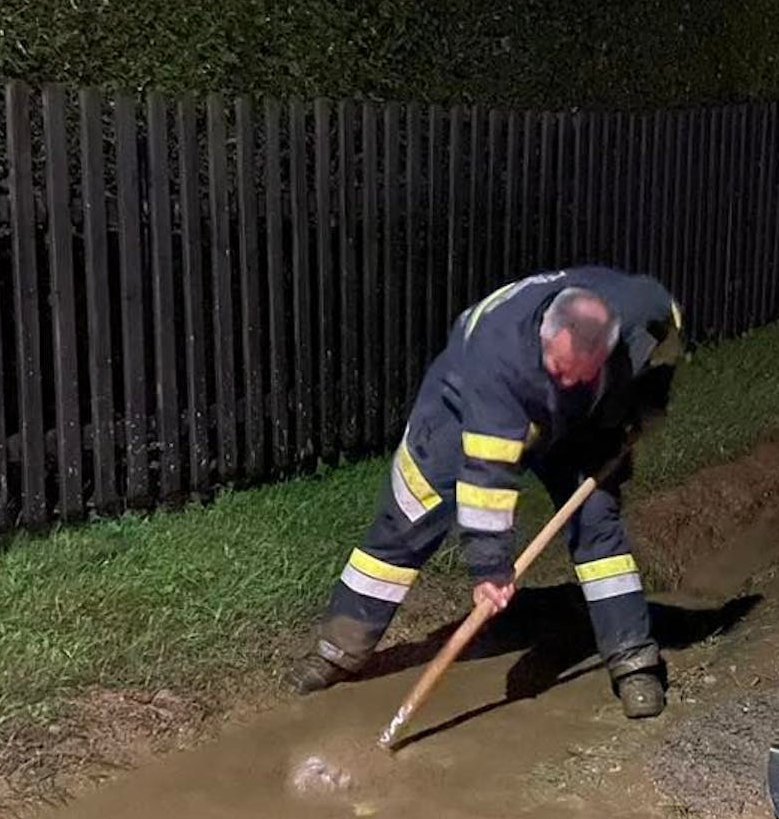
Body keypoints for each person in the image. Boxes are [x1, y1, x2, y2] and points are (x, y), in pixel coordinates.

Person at [287, 267, 685, 720]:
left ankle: (634, 660)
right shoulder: (498, 359)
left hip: (575, 425)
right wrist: (492, 570)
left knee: (597, 525)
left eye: (583, 373)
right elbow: (487, 480)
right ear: (543, 339)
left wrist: (652, 397)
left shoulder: (640, 307)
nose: (568, 380)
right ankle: (338, 650)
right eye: (560, 370)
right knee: (408, 520)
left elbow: (667, 336)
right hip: (459, 413)